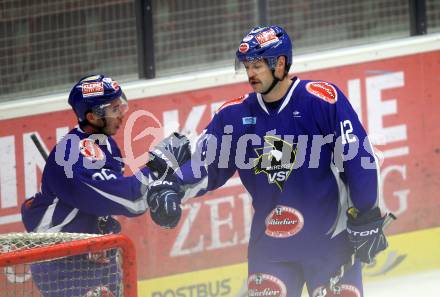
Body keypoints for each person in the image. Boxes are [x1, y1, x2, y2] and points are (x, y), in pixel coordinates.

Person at [146, 26, 390, 297]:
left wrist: (367, 214)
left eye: (258, 66)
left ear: (281, 63)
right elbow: (207, 163)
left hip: (331, 243)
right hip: (272, 248)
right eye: (247, 66)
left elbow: (359, 159)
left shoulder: (321, 100)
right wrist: (174, 186)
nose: (250, 73)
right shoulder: (234, 115)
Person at [21, 74, 190, 297]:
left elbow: (103, 205)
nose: (121, 115)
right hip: (62, 262)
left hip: (93, 255)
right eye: (114, 109)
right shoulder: (73, 156)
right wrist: (159, 166)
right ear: (92, 116)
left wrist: (100, 234)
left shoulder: (105, 143)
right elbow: (130, 200)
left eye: (121, 105)